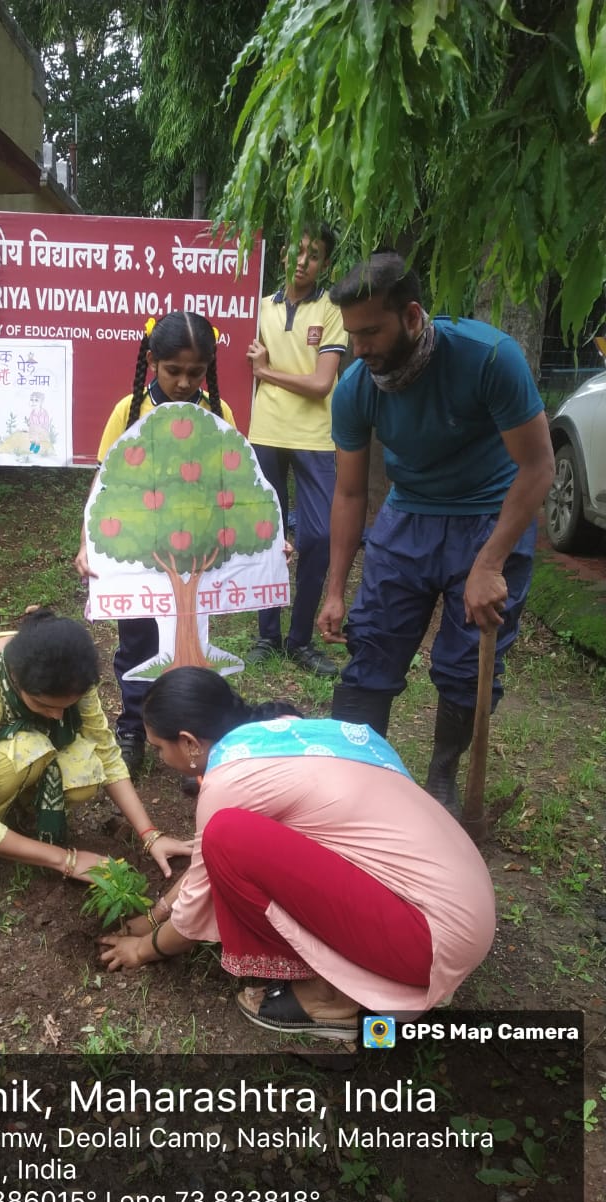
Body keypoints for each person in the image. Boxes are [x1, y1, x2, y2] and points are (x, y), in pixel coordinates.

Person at [98, 668, 496, 1040]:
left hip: (427, 941)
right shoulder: (289, 734)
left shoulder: (228, 781)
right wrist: (155, 914)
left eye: (159, 748)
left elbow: (202, 892)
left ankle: (333, 998)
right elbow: (206, 867)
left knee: (228, 836)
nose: (160, 759)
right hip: (466, 907)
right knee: (230, 840)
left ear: (188, 742)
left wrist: (144, 949)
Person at [317, 253, 554, 815]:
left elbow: (539, 466)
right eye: (351, 334)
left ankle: (442, 778)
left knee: (467, 664)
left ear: (412, 316)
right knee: (372, 645)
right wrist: (334, 588)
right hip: (408, 519)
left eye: (370, 332)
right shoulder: (357, 387)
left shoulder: (488, 358)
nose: (358, 348)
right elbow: (349, 494)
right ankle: (356, 779)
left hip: (490, 515)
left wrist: (489, 563)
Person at [0, 609, 191, 882]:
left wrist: (150, 835)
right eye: (44, 705)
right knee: (28, 751)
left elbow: (105, 752)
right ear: (16, 679)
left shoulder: (71, 672)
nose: (58, 716)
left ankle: (13, 814)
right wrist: (68, 860)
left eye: (65, 707)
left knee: (84, 769)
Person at [73, 311, 236, 781]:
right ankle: (133, 728)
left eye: (196, 372)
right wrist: (87, 543)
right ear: (152, 363)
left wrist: (262, 541)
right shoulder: (128, 412)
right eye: (173, 371)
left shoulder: (218, 414)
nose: (184, 382)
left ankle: (190, 737)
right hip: (138, 553)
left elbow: (234, 484)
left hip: (195, 555)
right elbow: (103, 484)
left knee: (191, 647)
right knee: (138, 644)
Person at [245, 225, 347, 676]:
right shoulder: (258, 306)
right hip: (264, 431)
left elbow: (322, 382)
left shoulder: (332, 309)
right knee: (266, 533)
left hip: (315, 436)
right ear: (284, 253)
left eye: (315, 254)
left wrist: (266, 372)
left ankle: (300, 639)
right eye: (297, 250)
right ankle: (267, 635)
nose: (303, 261)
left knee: (318, 537)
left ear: (324, 264)